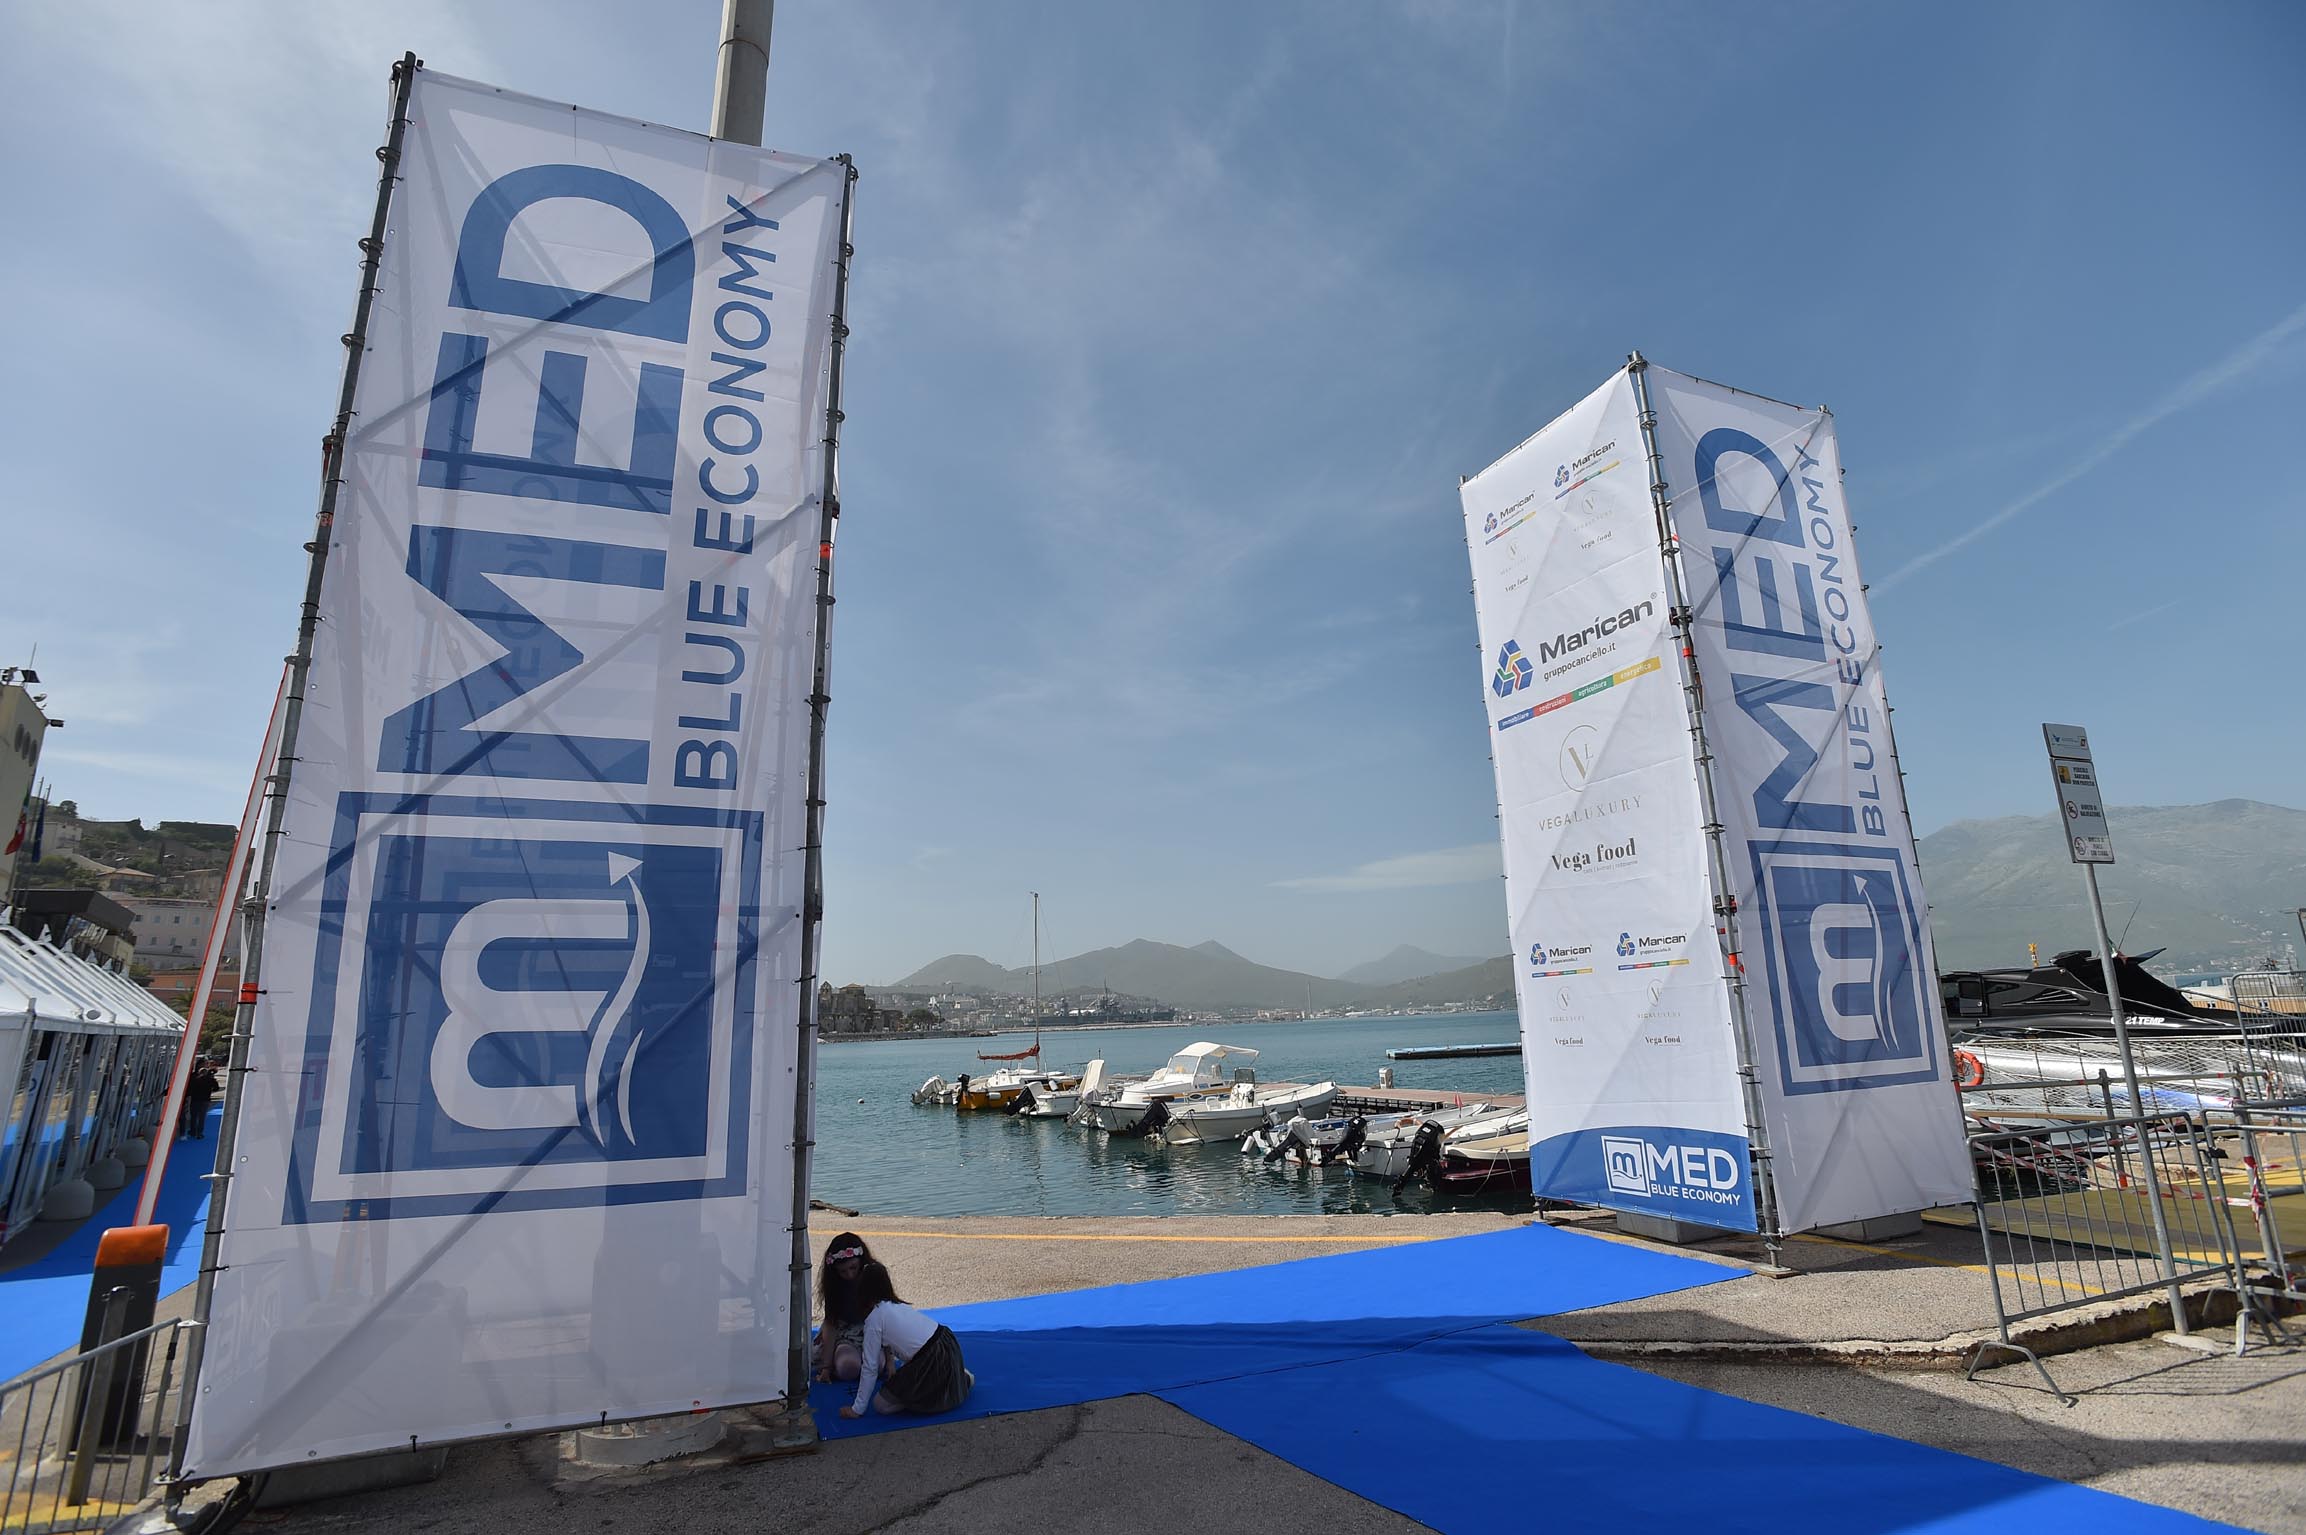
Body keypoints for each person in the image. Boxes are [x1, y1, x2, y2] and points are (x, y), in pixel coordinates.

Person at [839, 1261, 972, 1420]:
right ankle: (954, 1377)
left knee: (881, 1405)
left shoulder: (874, 1319)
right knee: (908, 1376)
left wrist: (857, 1409)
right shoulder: (897, 1305)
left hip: (931, 1360)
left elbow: (870, 1367)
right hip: (947, 1343)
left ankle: (941, 1388)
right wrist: (891, 1365)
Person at [813, 1233, 878, 1383]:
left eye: (853, 1268)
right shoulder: (834, 1286)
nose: (849, 1274)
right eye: (843, 1271)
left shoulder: (873, 1277)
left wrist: (889, 1360)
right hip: (845, 1334)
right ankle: (839, 1360)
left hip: (873, 1332)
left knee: (877, 1366)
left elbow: (885, 1318)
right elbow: (831, 1324)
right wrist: (827, 1367)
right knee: (848, 1367)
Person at [183, 1060, 219, 1140]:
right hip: (205, 1099)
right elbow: (216, 1088)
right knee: (202, 1117)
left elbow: (190, 1089)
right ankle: (199, 1133)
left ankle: (193, 1131)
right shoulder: (210, 1079)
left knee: (194, 1116)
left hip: (195, 1099)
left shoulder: (195, 1079)